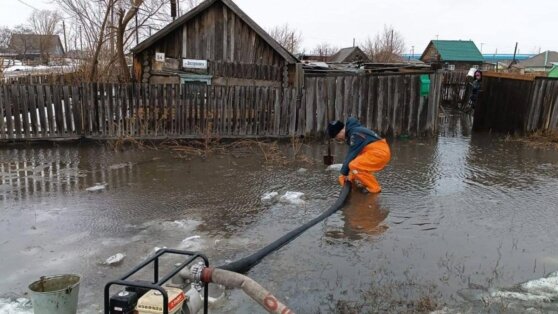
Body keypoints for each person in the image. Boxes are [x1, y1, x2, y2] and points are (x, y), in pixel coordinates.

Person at [327, 117, 391, 193]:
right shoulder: (354, 131)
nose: (339, 139)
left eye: (337, 137)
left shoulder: (355, 134)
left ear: (339, 132)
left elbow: (352, 154)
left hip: (379, 153)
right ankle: (358, 182)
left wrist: (344, 173)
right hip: (378, 151)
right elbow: (354, 155)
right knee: (355, 165)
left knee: (355, 166)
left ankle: (374, 188)